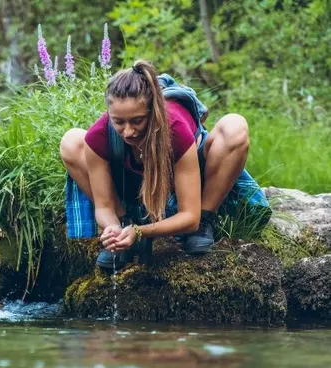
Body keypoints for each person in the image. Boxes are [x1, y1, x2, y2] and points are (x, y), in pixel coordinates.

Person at [59, 59, 269, 270]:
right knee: (71, 141)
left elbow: (189, 217)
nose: (128, 131)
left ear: (153, 111)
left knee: (235, 126)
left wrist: (140, 232)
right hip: (130, 185)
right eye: (119, 122)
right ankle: (123, 224)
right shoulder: (101, 134)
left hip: (183, 183)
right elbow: (103, 206)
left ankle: (205, 221)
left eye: (137, 121)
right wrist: (113, 228)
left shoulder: (175, 129)